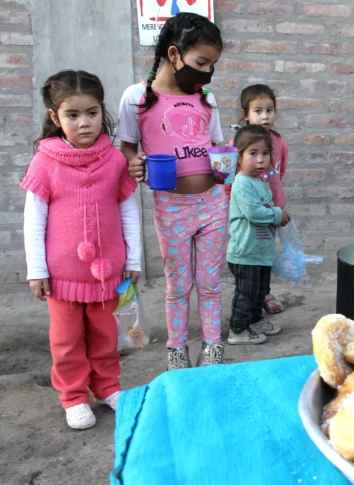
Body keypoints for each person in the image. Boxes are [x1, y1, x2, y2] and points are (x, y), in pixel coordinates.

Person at [21, 70, 141, 430]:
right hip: (62, 277)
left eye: (91, 113)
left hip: (109, 274)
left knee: (106, 336)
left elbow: (128, 211)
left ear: (101, 111)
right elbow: (34, 220)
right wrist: (37, 270)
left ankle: (107, 387)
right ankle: (73, 396)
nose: (84, 123)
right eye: (72, 115)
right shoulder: (46, 162)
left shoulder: (115, 161)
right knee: (67, 341)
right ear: (55, 118)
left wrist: (133, 258)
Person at [117, 12, 227, 370]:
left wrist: (226, 166)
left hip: (212, 204)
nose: (208, 71)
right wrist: (135, 164)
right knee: (178, 285)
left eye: (213, 64)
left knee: (210, 284)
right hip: (172, 207)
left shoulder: (207, 98)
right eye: (202, 62)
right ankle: (176, 349)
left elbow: (218, 145)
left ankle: (213, 347)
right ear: (175, 54)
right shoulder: (138, 97)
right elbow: (128, 148)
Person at [224, 84, 289, 317]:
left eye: (270, 110)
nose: (265, 116)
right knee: (251, 250)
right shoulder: (236, 145)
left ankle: (264, 291)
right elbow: (229, 177)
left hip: (272, 206)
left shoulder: (279, 142)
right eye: (258, 111)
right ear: (246, 114)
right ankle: (254, 298)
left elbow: (280, 172)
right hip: (249, 208)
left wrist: (278, 206)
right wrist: (235, 200)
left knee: (266, 250)